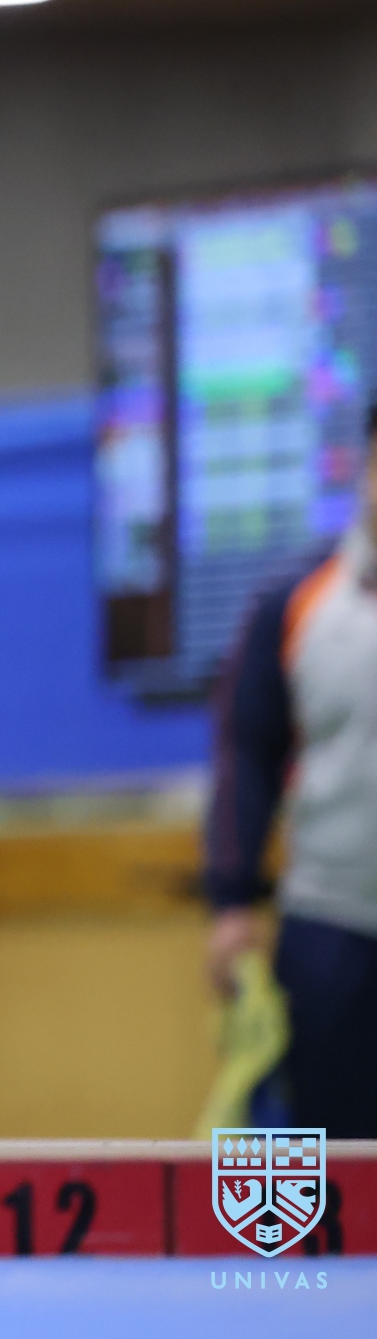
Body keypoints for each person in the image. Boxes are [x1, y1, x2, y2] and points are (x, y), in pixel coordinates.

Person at [206, 401, 377, 1139]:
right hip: (329, 924)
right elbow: (246, 754)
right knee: (306, 1166)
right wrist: (233, 901)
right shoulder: (294, 603)